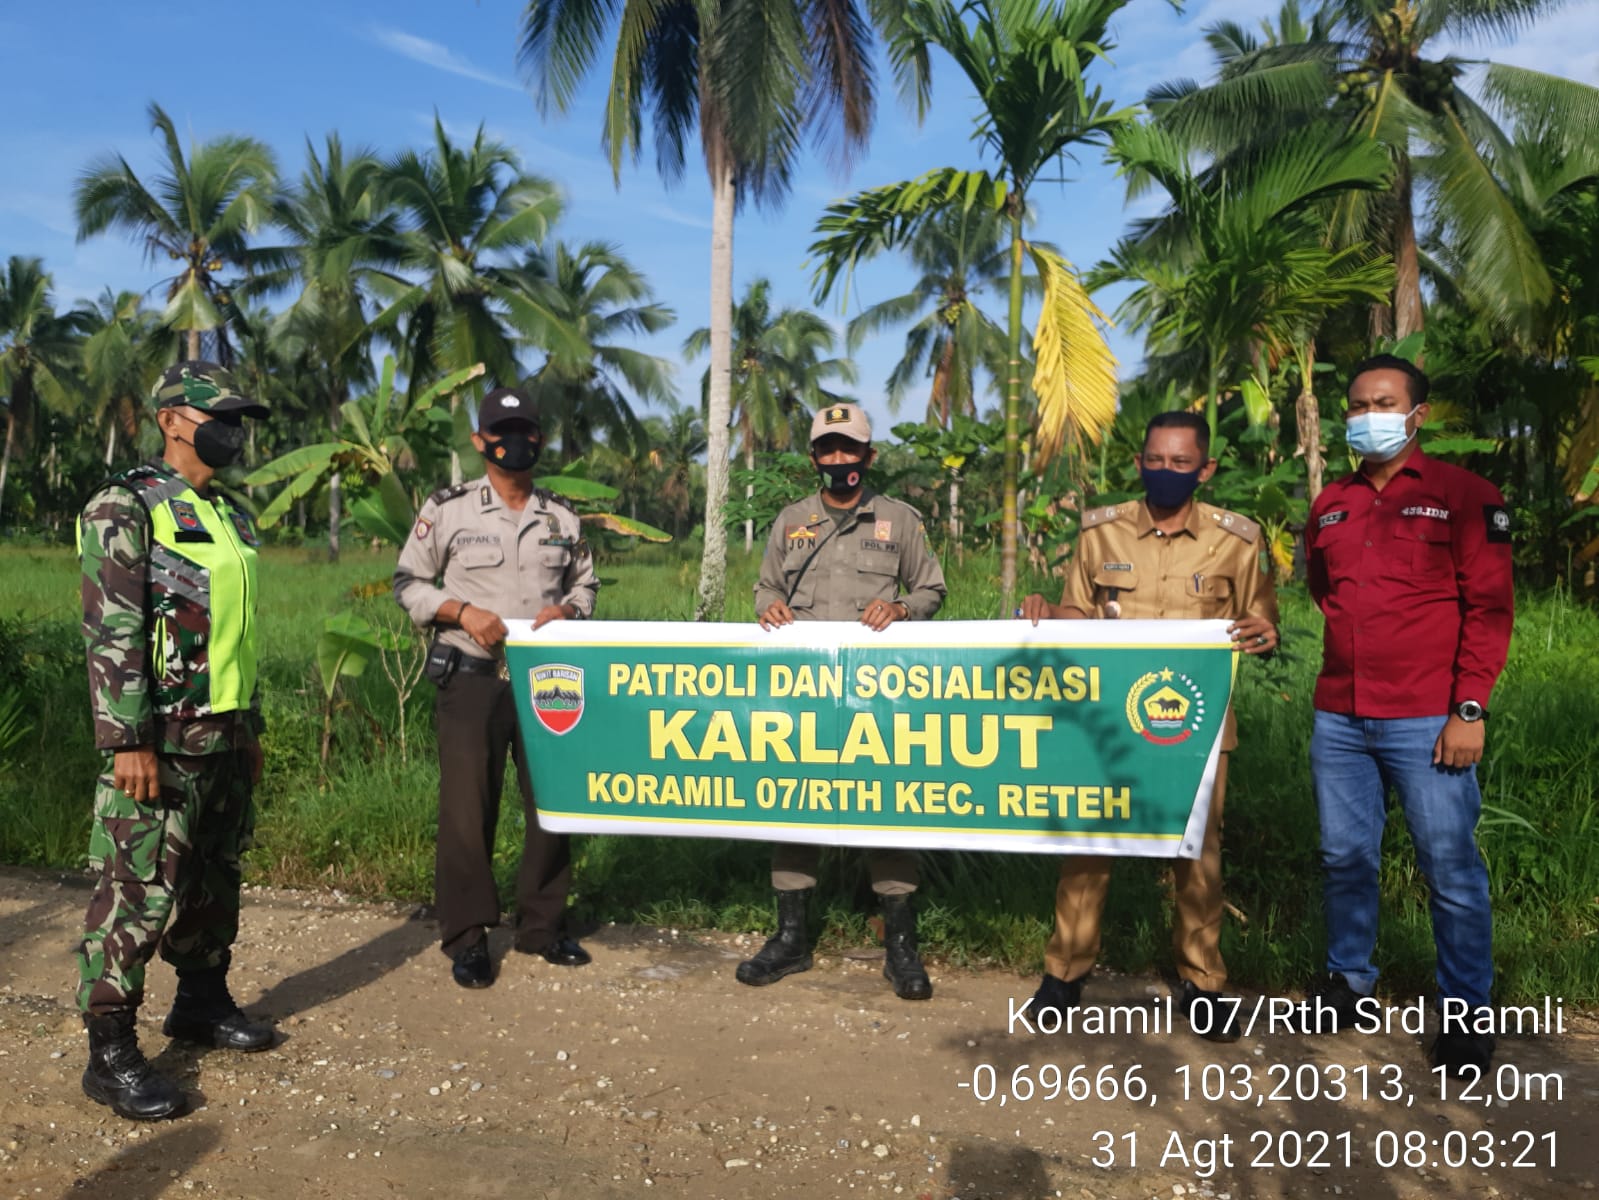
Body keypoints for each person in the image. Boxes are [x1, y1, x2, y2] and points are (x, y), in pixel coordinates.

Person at [1017, 411, 1278, 1041]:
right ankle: (1065, 974)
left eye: (1180, 463)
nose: (1165, 472)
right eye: (1154, 461)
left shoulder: (1237, 541)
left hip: (1195, 726)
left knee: (1199, 855)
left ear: (1205, 469)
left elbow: (1261, 623)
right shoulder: (1100, 534)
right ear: (1139, 462)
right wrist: (1049, 611)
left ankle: (1204, 981)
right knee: (1087, 846)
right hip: (1105, 723)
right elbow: (1078, 613)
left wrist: (1265, 634)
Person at [74, 361, 275, 1122]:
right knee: (136, 887)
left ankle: (200, 1000)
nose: (232, 430)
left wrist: (247, 725)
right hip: (159, 736)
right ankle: (111, 1050)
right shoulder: (125, 505)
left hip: (222, 730)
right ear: (171, 419)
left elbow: (237, 633)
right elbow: (113, 628)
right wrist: (127, 738)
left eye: (237, 418)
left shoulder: (227, 513)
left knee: (212, 877)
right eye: (218, 415)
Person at [1301, 355, 1512, 1075]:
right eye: (1356, 405)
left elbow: (1488, 612)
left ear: (1417, 413)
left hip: (1428, 718)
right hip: (1338, 717)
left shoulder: (1466, 495)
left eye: (1382, 403)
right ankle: (1347, 982)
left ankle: (1465, 1014)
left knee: (1449, 868)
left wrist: (1468, 708)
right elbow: (1321, 592)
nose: (1366, 416)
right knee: (1344, 859)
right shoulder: (1330, 502)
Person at [739, 402, 948, 1000]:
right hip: (802, 691)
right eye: (827, 449)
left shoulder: (900, 521)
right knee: (794, 801)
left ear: (868, 456)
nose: (838, 460)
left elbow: (930, 587)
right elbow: (767, 585)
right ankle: (790, 938)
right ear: (813, 458)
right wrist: (767, 606)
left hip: (875, 694)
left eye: (848, 449)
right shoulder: (790, 520)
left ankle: (900, 947)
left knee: (887, 805)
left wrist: (903, 608)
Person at [393, 386, 599, 989]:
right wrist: (458, 610)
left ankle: (543, 926)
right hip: (471, 677)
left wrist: (571, 613)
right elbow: (408, 582)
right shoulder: (449, 508)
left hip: (546, 682)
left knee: (553, 804)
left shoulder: (561, 515)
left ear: (539, 438)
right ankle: (467, 936)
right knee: (466, 810)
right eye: (502, 431)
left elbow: (586, 585)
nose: (517, 441)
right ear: (481, 441)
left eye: (527, 430)